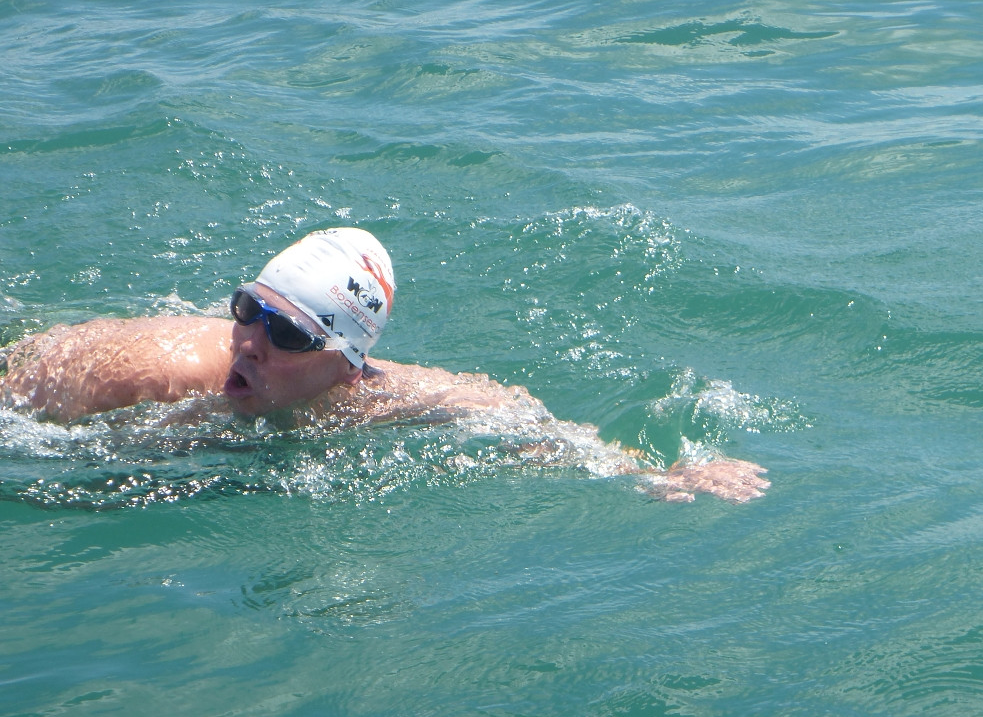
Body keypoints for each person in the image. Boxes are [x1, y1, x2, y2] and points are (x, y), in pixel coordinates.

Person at [0, 228, 769, 502]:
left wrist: (658, 473)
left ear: (349, 362)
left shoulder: (377, 400)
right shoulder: (146, 376)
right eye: (246, 309)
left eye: (285, 332)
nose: (248, 342)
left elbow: (533, 430)